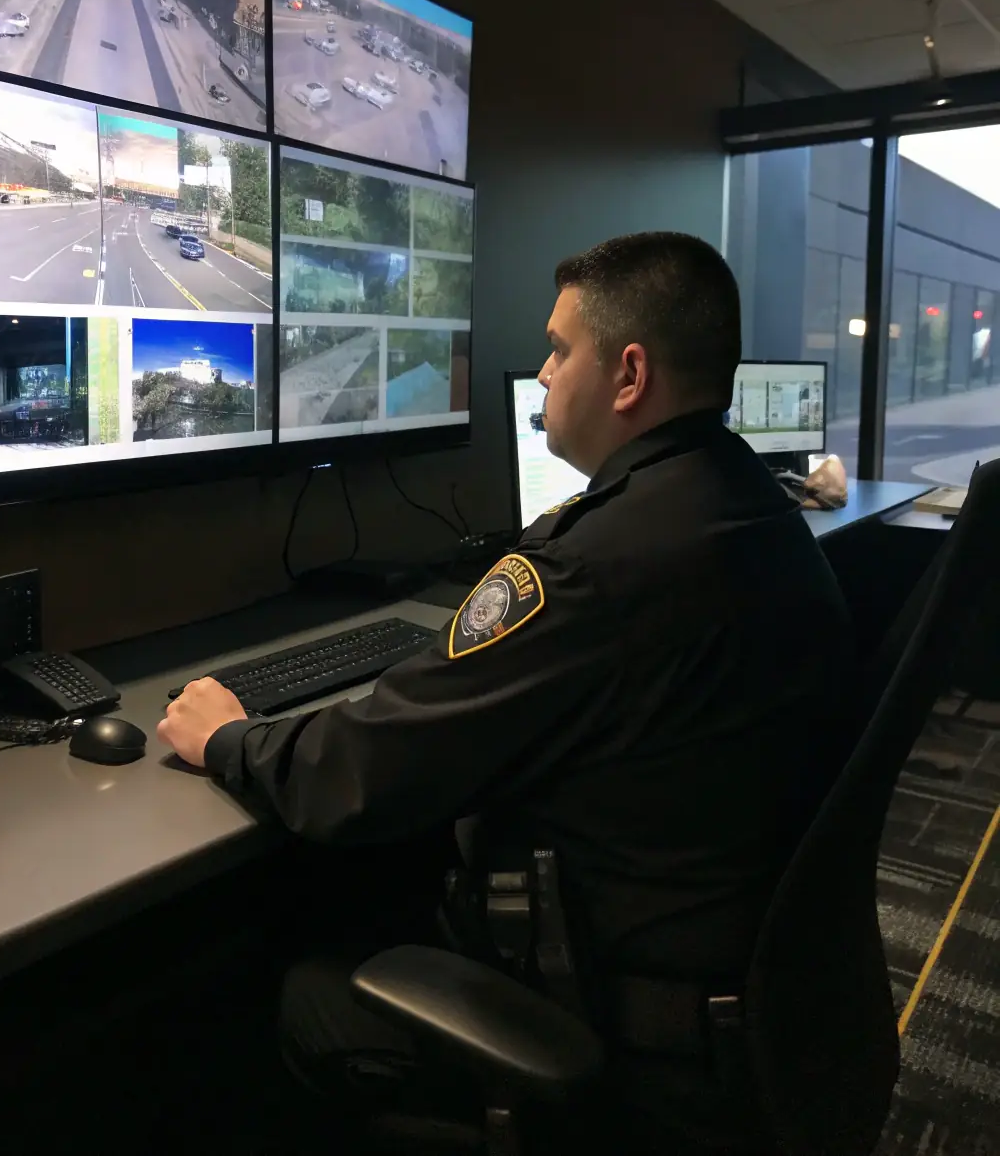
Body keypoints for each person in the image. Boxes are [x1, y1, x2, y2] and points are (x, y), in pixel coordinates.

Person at [158, 232, 859, 1153]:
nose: (543, 369)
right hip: (761, 1004)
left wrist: (228, 736)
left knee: (282, 991)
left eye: (560, 348)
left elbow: (367, 767)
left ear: (630, 374)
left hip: (634, 1036)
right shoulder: (754, 508)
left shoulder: (595, 565)